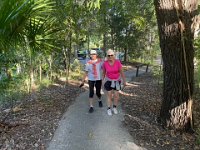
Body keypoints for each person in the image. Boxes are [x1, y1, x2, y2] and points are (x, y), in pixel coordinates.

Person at [102, 49, 126, 116]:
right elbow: (103, 73)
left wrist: (124, 81)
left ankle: (114, 107)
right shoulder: (105, 63)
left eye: (111, 55)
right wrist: (102, 81)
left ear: (114, 55)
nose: (110, 56)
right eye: (108, 55)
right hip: (108, 81)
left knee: (116, 96)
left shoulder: (118, 62)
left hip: (117, 81)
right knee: (109, 95)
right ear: (107, 56)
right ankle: (109, 108)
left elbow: (121, 72)